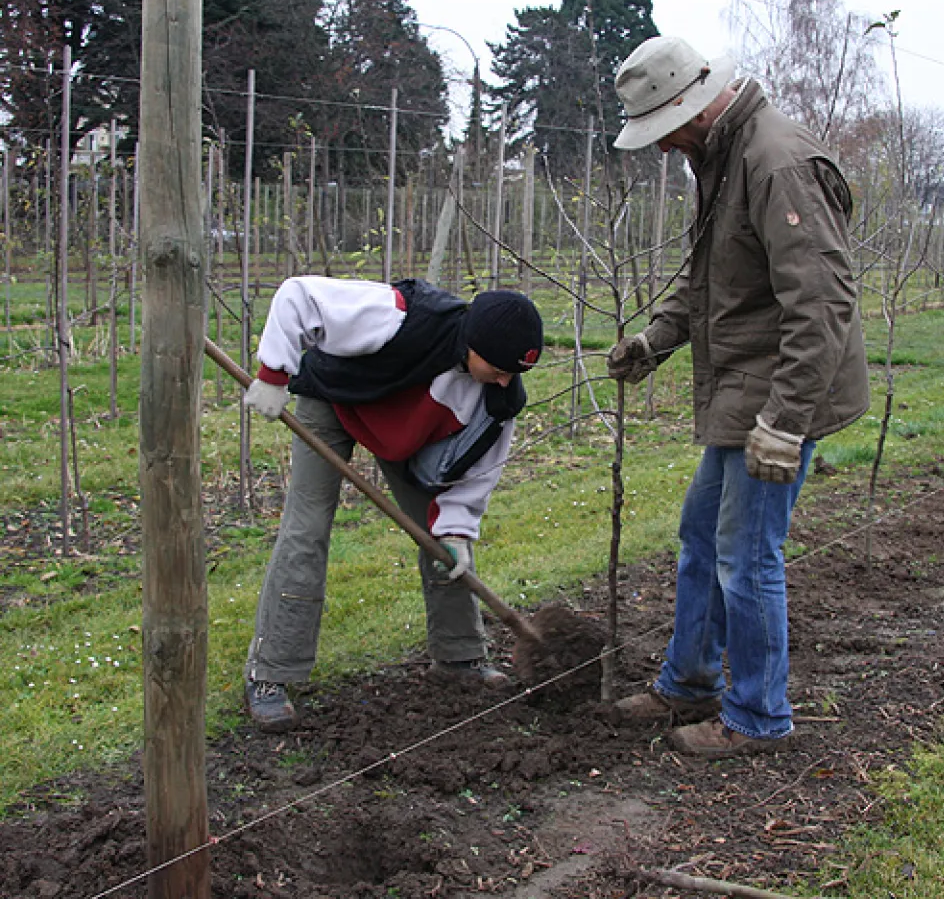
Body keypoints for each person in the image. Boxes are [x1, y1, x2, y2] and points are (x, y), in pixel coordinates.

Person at [607, 37, 869, 758]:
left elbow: (820, 305)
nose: (663, 151)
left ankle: (758, 715)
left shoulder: (776, 162)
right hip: (743, 387)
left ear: (690, 107)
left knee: (746, 555)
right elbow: (708, 278)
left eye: (664, 133)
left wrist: (784, 424)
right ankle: (689, 680)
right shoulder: (721, 160)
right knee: (702, 537)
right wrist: (653, 341)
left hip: (782, 392)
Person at [242, 275, 543, 732]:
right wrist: (273, 375)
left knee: (441, 542)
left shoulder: (499, 398)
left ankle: (460, 656)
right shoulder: (398, 315)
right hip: (334, 402)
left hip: (403, 438)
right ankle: (271, 674)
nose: (505, 379)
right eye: (499, 367)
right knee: (306, 531)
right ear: (474, 344)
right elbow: (298, 296)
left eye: (514, 373)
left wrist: (458, 530)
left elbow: (476, 473)